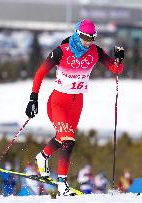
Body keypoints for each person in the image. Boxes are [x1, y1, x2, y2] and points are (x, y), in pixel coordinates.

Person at [25, 19, 124, 196]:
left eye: (92, 38)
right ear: (78, 34)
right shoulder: (61, 51)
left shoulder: (95, 52)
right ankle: (62, 185)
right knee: (68, 140)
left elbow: (116, 70)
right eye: (85, 37)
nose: (88, 42)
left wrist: (118, 60)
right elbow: (40, 73)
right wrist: (33, 98)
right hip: (58, 102)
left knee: (62, 138)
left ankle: (42, 157)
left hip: (77, 102)